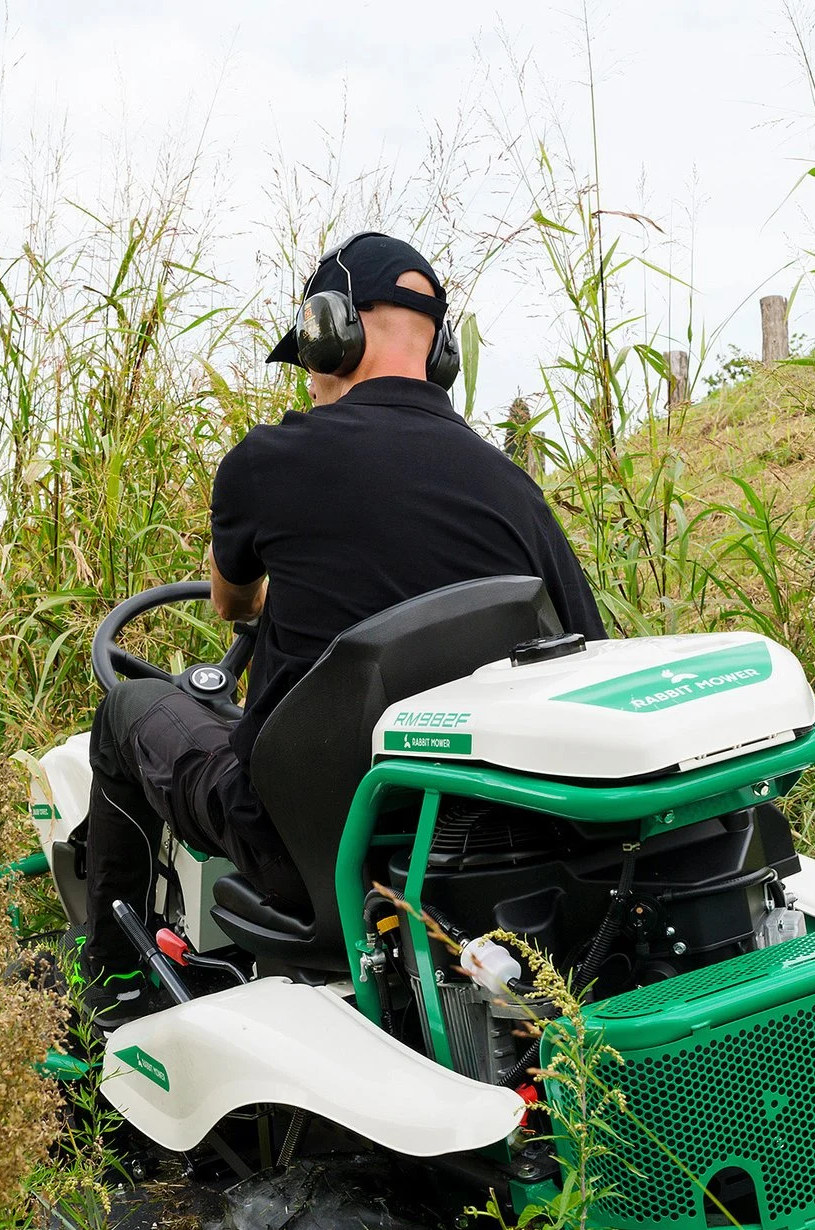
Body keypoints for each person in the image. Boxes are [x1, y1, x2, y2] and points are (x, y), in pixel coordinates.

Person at [79, 231, 605, 1006]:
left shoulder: (267, 463)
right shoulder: (511, 489)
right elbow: (588, 655)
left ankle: (108, 999)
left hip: (297, 848)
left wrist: (264, 607)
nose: (313, 384)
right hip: (477, 849)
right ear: (440, 356)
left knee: (126, 709)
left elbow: (230, 601)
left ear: (332, 332)